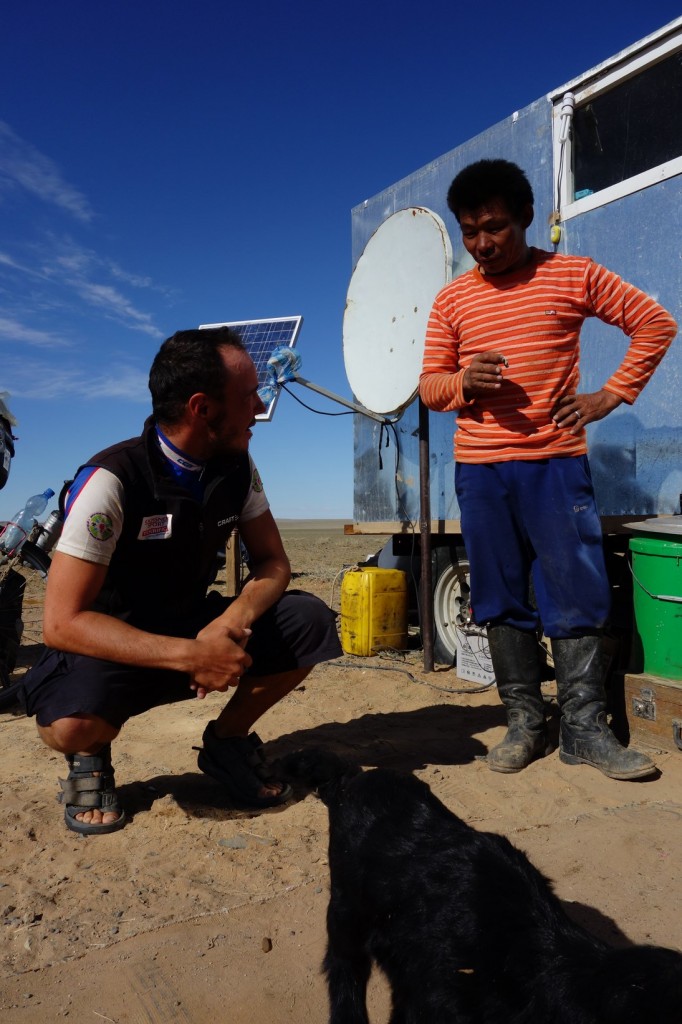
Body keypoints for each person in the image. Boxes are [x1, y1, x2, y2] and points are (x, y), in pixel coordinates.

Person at [20, 326, 342, 834]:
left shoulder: (237, 468)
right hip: (112, 645)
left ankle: (227, 742)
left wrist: (226, 626)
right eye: (248, 396)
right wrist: (191, 656)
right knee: (70, 725)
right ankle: (90, 756)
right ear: (202, 407)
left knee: (308, 621)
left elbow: (272, 562)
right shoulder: (112, 480)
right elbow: (61, 623)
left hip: (193, 624)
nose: (260, 406)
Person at [419, 158, 677, 781]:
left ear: (526, 217)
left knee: (576, 588)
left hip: (556, 464)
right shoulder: (452, 298)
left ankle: (584, 729)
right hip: (481, 471)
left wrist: (605, 398)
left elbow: (655, 323)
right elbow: (428, 386)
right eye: (470, 231)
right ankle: (523, 724)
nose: (482, 243)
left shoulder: (572, 274)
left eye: (495, 227)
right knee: (499, 593)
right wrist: (462, 382)